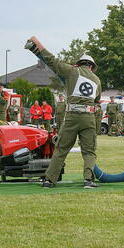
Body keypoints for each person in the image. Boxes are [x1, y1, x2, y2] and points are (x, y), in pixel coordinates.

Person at [25, 36, 102, 188]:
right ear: (91, 67)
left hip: (72, 116)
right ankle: (88, 180)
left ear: (79, 64)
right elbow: (97, 101)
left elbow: (52, 61)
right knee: (89, 151)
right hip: (88, 118)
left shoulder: (72, 71)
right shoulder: (97, 80)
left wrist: (37, 47)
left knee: (61, 149)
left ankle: (49, 180)